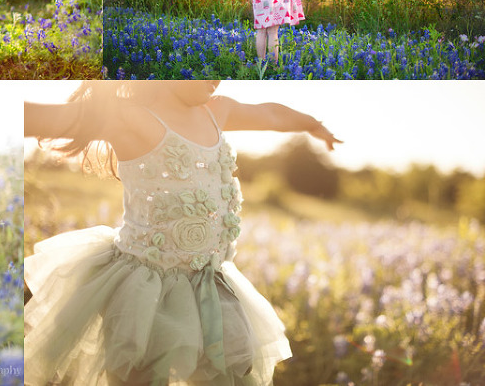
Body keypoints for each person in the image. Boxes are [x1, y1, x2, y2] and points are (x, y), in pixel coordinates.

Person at [24, 80, 341, 386]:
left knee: (234, 371)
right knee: (137, 374)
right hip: (143, 290)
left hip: (212, 285)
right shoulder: (127, 116)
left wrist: (312, 124)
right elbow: (41, 117)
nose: (216, 77)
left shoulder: (217, 112)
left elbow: (271, 115)